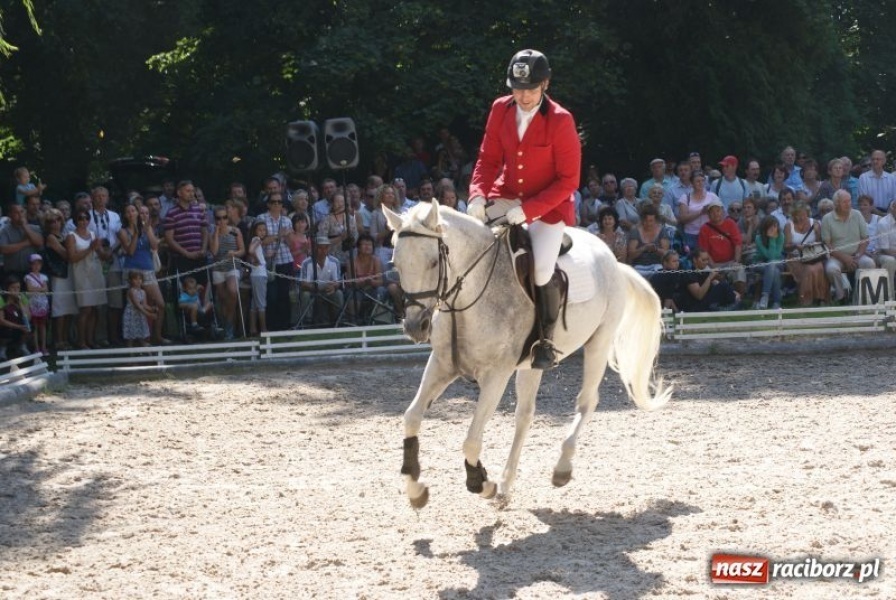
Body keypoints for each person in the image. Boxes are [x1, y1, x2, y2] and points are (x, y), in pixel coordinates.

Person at [466, 49, 581, 369]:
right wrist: (477, 195)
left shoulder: (560, 120)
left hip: (548, 205)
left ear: (545, 84)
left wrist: (529, 211)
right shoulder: (500, 109)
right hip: (505, 195)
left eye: (531, 89)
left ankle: (545, 339)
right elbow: (488, 160)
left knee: (542, 269)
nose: (524, 96)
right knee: (470, 247)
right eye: (518, 89)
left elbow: (568, 181)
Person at [118, 204, 168, 345]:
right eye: (129, 211)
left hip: (148, 269)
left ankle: (156, 335)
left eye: (134, 211)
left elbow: (154, 246)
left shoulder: (147, 228)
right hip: (132, 271)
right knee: (135, 307)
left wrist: (148, 230)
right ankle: (139, 340)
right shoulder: (122, 231)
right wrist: (136, 233)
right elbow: (131, 251)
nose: (132, 214)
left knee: (160, 304)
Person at [822, 190, 876, 303]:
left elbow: (865, 238)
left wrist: (858, 255)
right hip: (837, 256)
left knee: (869, 263)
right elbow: (828, 244)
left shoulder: (857, 214)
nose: (848, 204)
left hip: (857, 254)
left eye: (849, 201)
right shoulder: (827, 218)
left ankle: (860, 296)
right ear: (836, 204)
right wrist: (844, 258)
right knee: (831, 269)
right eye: (844, 202)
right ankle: (841, 297)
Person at [65, 208, 107, 349]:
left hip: (95, 273)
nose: (83, 221)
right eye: (80, 218)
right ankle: (81, 341)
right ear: (75, 220)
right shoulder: (71, 236)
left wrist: (107, 250)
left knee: (95, 309)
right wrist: (90, 248)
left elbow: (101, 254)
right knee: (85, 309)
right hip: (82, 275)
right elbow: (72, 258)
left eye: (86, 218)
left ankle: (91, 340)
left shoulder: (93, 234)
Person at [258, 191, 294, 330]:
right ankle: (272, 326)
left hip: (285, 260)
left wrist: (287, 237)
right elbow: (259, 240)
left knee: (284, 295)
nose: (277, 204)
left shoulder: (287, 220)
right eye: (274, 202)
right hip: (269, 262)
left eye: (280, 202)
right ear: (268, 204)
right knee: (271, 296)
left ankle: (284, 326)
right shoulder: (261, 219)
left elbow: (291, 244)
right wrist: (279, 236)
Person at [697, 198, 747, 297]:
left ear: (723, 212)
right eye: (713, 211)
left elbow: (738, 244)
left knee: (739, 270)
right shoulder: (704, 228)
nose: (716, 214)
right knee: (708, 273)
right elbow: (704, 251)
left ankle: (740, 298)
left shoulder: (730, 224)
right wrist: (713, 266)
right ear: (708, 214)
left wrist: (736, 261)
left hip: (730, 261)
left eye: (718, 210)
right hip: (712, 263)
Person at [209, 206, 245, 340]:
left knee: (233, 291)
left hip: (232, 266)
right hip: (218, 268)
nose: (222, 221)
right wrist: (217, 233)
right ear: (215, 219)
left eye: (224, 217)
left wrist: (234, 253)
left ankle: (230, 327)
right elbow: (214, 251)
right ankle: (228, 327)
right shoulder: (212, 232)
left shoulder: (235, 231)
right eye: (219, 218)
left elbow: (242, 250)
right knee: (224, 300)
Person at [784, 201, 830, 306]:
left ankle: (820, 298)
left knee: (819, 267)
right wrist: (796, 246)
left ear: (807, 213)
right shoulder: (789, 226)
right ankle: (805, 299)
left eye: (803, 215)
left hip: (813, 255)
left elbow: (821, 242)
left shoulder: (815, 223)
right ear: (793, 215)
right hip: (795, 257)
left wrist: (818, 233)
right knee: (809, 269)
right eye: (797, 215)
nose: (800, 218)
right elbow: (786, 247)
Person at [164, 180, 209, 286]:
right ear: (179, 193)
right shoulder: (171, 213)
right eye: (188, 191)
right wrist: (186, 253)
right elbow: (169, 238)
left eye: (192, 191)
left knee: (202, 287)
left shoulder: (198, 210)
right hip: (182, 259)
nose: (191, 193)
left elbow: (204, 231)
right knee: (185, 289)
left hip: (200, 256)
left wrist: (203, 249)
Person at [299, 234, 344, 327]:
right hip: (312, 291)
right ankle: (307, 322)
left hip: (328, 290)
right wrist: (317, 288)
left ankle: (338, 320)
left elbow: (338, 281)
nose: (323, 250)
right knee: (305, 295)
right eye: (320, 248)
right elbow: (303, 284)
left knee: (338, 294)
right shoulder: (306, 263)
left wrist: (334, 286)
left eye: (326, 247)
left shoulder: (335, 261)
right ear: (315, 248)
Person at [345, 233, 385, 323]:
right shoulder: (351, 262)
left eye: (370, 245)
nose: (367, 247)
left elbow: (380, 281)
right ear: (358, 248)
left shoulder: (376, 260)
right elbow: (349, 282)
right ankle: (353, 321)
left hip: (372, 288)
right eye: (364, 244)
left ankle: (375, 320)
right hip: (357, 289)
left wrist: (371, 282)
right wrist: (363, 282)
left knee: (381, 291)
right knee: (353, 294)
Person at [0, 203, 44, 283]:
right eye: (16, 212)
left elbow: (40, 242)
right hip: (12, 273)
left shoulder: (35, 228)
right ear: (10, 215)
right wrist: (26, 243)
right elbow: (4, 249)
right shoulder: (5, 231)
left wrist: (25, 227)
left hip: (31, 272)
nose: (20, 215)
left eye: (22, 212)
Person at [678, 170, 719, 250]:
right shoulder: (685, 198)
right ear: (692, 183)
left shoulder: (712, 196)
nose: (700, 183)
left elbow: (720, 214)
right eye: (697, 181)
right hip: (691, 234)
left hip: (709, 233)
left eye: (702, 181)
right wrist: (701, 212)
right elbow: (682, 219)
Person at [626, 204, 670, 277]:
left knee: (658, 273)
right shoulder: (635, 231)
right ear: (642, 220)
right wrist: (643, 248)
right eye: (645, 221)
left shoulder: (662, 231)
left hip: (657, 265)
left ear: (656, 220)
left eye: (651, 221)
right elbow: (631, 255)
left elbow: (666, 253)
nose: (648, 224)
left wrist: (656, 250)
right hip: (639, 265)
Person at [752, 216, 785, 309]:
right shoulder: (758, 238)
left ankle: (765, 296)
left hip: (778, 262)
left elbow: (775, 256)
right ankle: (776, 302)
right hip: (760, 263)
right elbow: (768, 256)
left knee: (772, 265)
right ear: (765, 228)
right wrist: (771, 239)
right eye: (771, 227)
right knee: (774, 270)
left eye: (775, 226)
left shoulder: (781, 235)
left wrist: (772, 239)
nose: (774, 229)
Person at [0, 276, 31, 359]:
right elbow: (1, 321)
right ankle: (2, 348)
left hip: (19, 324)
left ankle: (21, 346)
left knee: (29, 327)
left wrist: (20, 302)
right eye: (13, 287)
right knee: (5, 331)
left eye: (18, 287)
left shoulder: (22, 297)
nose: (16, 290)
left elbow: (27, 317)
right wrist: (8, 304)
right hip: (6, 326)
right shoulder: (1, 298)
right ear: (7, 288)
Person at [246, 221, 269, 336]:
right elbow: (250, 250)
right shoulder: (257, 240)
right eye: (260, 230)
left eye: (264, 230)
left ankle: (253, 329)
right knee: (261, 303)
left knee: (254, 303)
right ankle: (264, 329)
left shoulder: (256, 241)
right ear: (255, 231)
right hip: (259, 275)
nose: (262, 232)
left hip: (256, 274)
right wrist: (257, 260)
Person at [24, 254, 49, 354]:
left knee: (42, 325)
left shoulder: (44, 277)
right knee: (35, 326)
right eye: (34, 264)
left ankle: (44, 347)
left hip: (43, 304)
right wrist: (41, 289)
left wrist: (39, 289)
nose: (36, 266)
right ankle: (36, 347)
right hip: (33, 304)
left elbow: (46, 289)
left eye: (38, 264)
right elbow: (30, 289)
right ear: (30, 265)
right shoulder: (28, 277)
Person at [857, 149, 896, 215]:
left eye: (878, 159)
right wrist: (880, 214)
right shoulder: (863, 178)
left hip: (889, 215)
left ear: (884, 161)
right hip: (869, 215)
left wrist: (888, 214)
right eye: (873, 159)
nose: (875, 161)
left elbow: (894, 199)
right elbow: (863, 200)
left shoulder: (891, 178)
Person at [123, 271, 156, 347]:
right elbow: (137, 305)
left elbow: (144, 305)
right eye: (135, 279)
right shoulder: (131, 291)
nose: (138, 281)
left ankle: (144, 348)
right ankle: (130, 353)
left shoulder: (143, 292)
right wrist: (149, 314)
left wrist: (152, 309)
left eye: (140, 279)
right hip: (131, 315)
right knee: (130, 337)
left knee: (141, 334)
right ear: (131, 281)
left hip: (140, 315)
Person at [875, 199, 896, 297]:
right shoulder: (883, 223)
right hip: (882, 255)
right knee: (890, 261)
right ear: (892, 208)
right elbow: (885, 249)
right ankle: (889, 298)